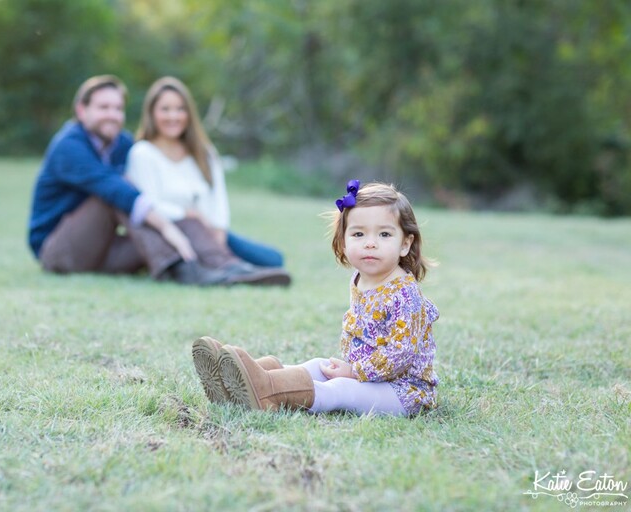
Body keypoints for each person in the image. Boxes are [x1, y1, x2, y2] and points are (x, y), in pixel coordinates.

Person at [192, 181, 439, 416]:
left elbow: (400, 354)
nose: (370, 244)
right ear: (343, 241)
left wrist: (354, 372)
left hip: (405, 392)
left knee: (342, 389)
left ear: (405, 244)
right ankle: (246, 375)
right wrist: (351, 370)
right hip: (371, 377)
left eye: (384, 235)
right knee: (317, 366)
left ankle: (267, 391)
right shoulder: (361, 277)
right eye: (358, 234)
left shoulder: (405, 294)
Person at [27, 74, 282, 286]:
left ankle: (226, 267)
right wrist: (168, 228)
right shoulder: (69, 146)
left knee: (173, 215)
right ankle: (188, 270)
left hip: (102, 251)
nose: (112, 115)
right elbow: (118, 190)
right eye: (103, 107)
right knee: (117, 193)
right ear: (81, 110)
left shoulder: (120, 143)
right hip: (58, 252)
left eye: (118, 108)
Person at [125, 76, 290, 283]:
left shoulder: (203, 152)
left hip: (209, 229)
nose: (173, 116)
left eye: (180, 109)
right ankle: (230, 268)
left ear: (189, 113)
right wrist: (187, 213)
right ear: (152, 113)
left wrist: (219, 232)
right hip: (173, 229)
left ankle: (230, 264)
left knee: (274, 259)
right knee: (204, 240)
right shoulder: (142, 153)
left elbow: (218, 198)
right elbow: (147, 203)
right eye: (165, 109)